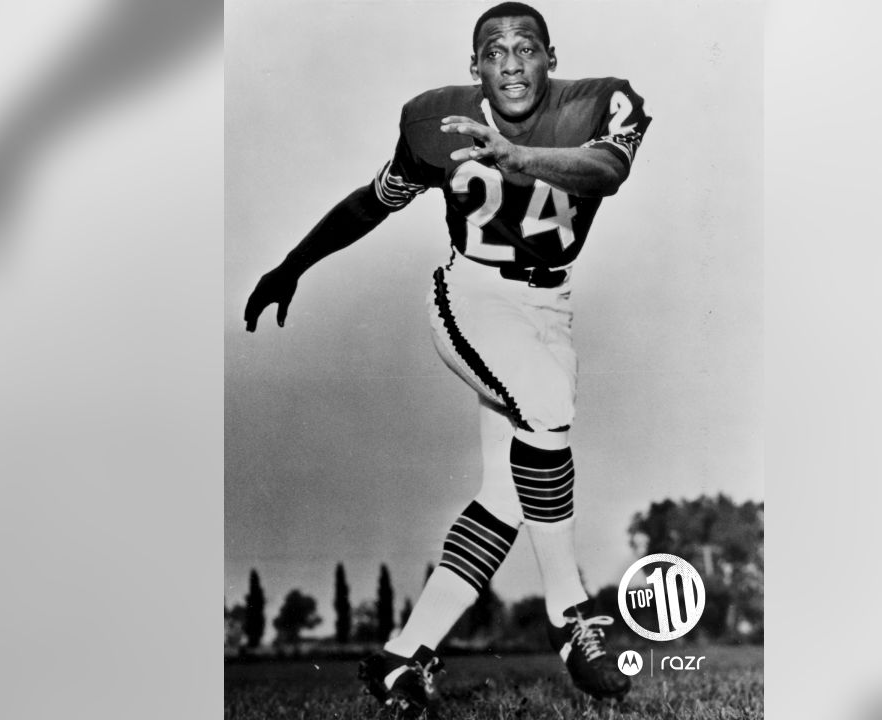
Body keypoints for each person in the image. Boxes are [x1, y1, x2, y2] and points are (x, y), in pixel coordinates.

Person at [244, 2, 650, 714]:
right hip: (472, 297)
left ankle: (404, 656)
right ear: (475, 68)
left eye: (527, 47)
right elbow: (374, 201)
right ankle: (571, 613)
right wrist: (292, 264)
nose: (511, 61)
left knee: (509, 493)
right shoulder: (434, 123)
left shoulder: (601, 102)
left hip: (550, 309)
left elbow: (606, 170)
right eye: (494, 51)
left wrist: (519, 157)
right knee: (549, 410)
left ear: (551, 57)